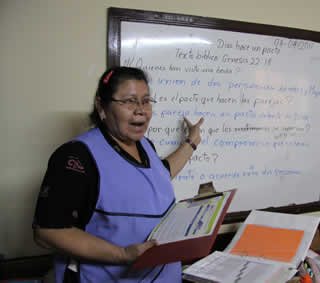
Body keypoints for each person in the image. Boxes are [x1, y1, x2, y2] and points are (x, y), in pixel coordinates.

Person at [32, 66, 204, 282]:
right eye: (129, 101)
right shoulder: (77, 156)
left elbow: (158, 176)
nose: (140, 110)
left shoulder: (145, 146)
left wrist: (192, 142)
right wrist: (122, 255)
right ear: (101, 106)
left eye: (146, 100)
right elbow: (47, 232)